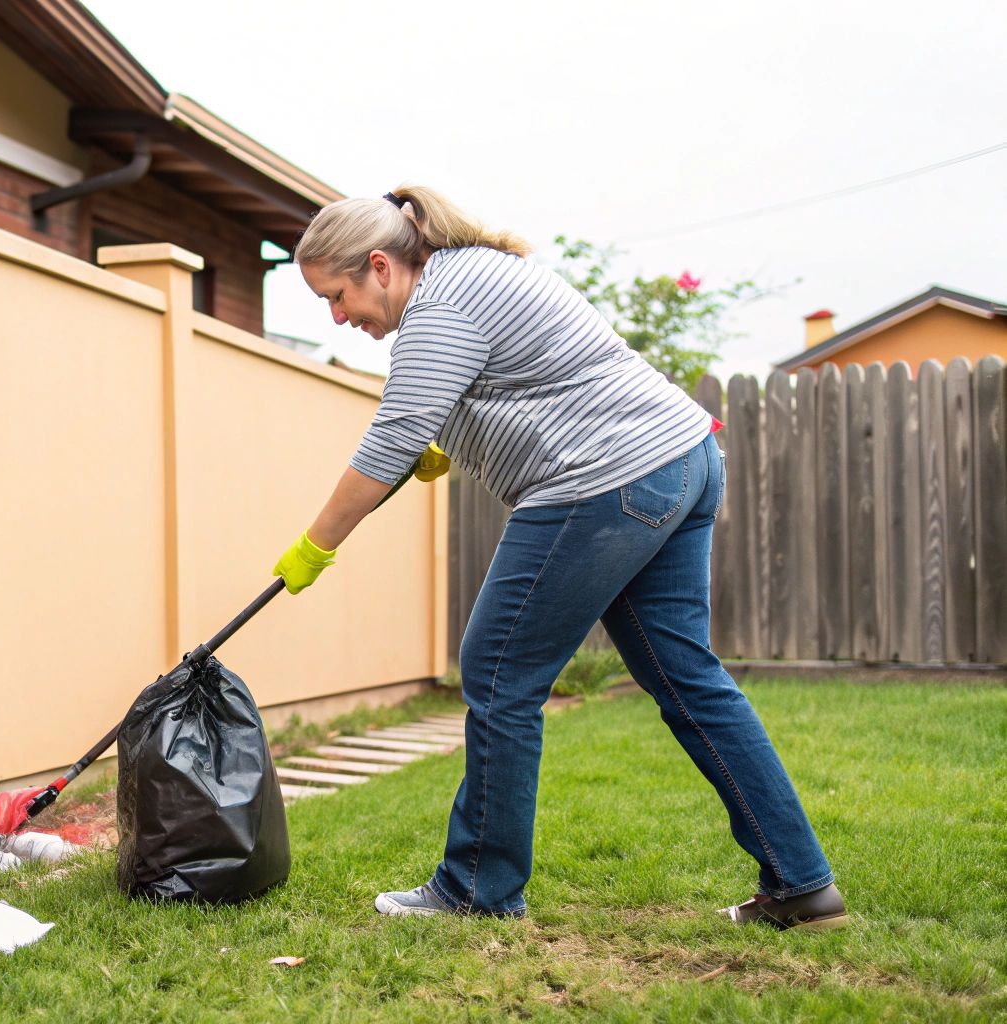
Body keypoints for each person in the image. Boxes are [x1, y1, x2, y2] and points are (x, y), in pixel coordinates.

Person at [272, 185, 846, 930]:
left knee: (499, 672)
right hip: (682, 459)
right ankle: (803, 886)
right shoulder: (472, 273)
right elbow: (528, 376)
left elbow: (392, 436)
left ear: (380, 265)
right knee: (688, 678)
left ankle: (476, 888)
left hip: (604, 482)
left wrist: (316, 545)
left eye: (337, 295)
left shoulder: (437, 309)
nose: (338, 317)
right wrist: (451, 436)